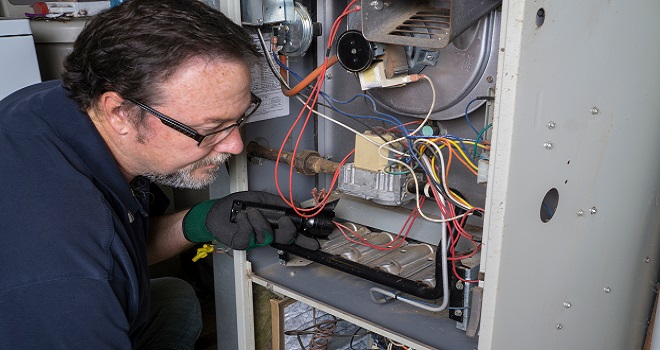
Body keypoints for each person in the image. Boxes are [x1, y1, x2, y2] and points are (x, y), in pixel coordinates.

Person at [0, 0, 317, 348]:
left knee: (175, 300)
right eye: (211, 128)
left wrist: (202, 220)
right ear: (120, 112)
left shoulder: (57, 104)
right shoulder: (70, 277)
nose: (235, 146)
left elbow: (123, 244)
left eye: (239, 119)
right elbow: (95, 259)